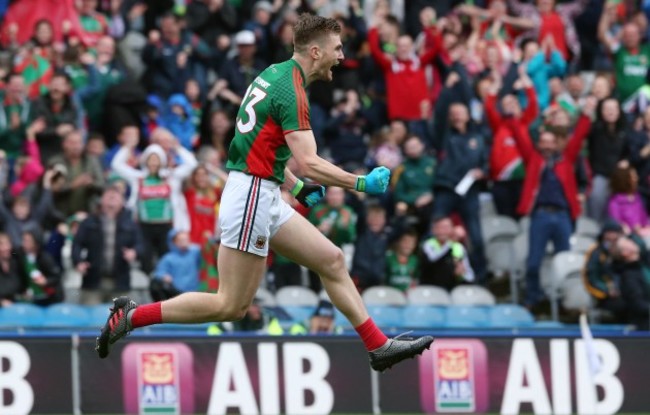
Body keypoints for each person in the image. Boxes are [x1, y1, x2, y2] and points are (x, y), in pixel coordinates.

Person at [96, 14, 433, 372]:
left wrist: (295, 187)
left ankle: (378, 346)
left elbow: (257, 147)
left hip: (261, 191)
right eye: (337, 48)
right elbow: (310, 162)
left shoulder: (274, 73)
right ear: (316, 51)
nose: (341, 55)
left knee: (332, 260)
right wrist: (361, 183)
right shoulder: (293, 91)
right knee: (231, 305)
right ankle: (131, 317)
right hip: (253, 197)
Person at [507, 97, 594, 309]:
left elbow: (578, 136)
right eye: (542, 141)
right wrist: (512, 116)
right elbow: (519, 136)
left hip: (563, 215)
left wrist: (586, 115)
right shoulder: (534, 160)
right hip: (541, 215)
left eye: (549, 142)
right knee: (534, 261)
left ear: (556, 144)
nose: (546, 145)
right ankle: (533, 298)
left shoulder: (567, 159)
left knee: (563, 260)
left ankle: (563, 301)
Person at [72, 185, 144, 305]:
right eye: (108, 196)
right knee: (91, 319)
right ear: (101, 200)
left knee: (121, 320)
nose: (111, 199)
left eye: (115, 197)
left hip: (120, 282)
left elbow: (141, 244)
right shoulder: (89, 221)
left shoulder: (130, 224)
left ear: (122, 202)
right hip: (93, 281)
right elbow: (77, 244)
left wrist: (134, 252)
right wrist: (78, 262)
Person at [420, 215, 475, 291]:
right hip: (431, 288)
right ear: (433, 230)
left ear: (452, 229)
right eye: (439, 227)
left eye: (446, 228)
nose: (442, 231)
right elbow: (432, 262)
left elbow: (470, 276)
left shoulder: (459, 247)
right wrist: (449, 244)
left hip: (452, 289)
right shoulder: (428, 245)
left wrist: (462, 274)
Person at [150, 229, 201, 301]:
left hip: (195, 291)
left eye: (186, 239)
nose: (184, 242)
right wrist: (164, 276)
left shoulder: (195, 252)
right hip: (176, 292)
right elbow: (159, 272)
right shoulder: (168, 258)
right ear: (174, 242)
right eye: (181, 240)